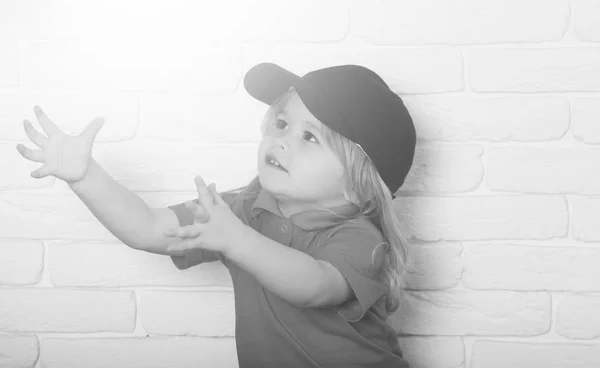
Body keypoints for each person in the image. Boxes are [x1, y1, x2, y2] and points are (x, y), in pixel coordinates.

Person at [16, 62, 417, 368]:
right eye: (281, 123)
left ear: (360, 181)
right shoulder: (242, 210)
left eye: (310, 137)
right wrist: (86, 177)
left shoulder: (359, 236)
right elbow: (149, 228)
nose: (281, 141)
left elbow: (315, 286)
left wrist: (235, 239)